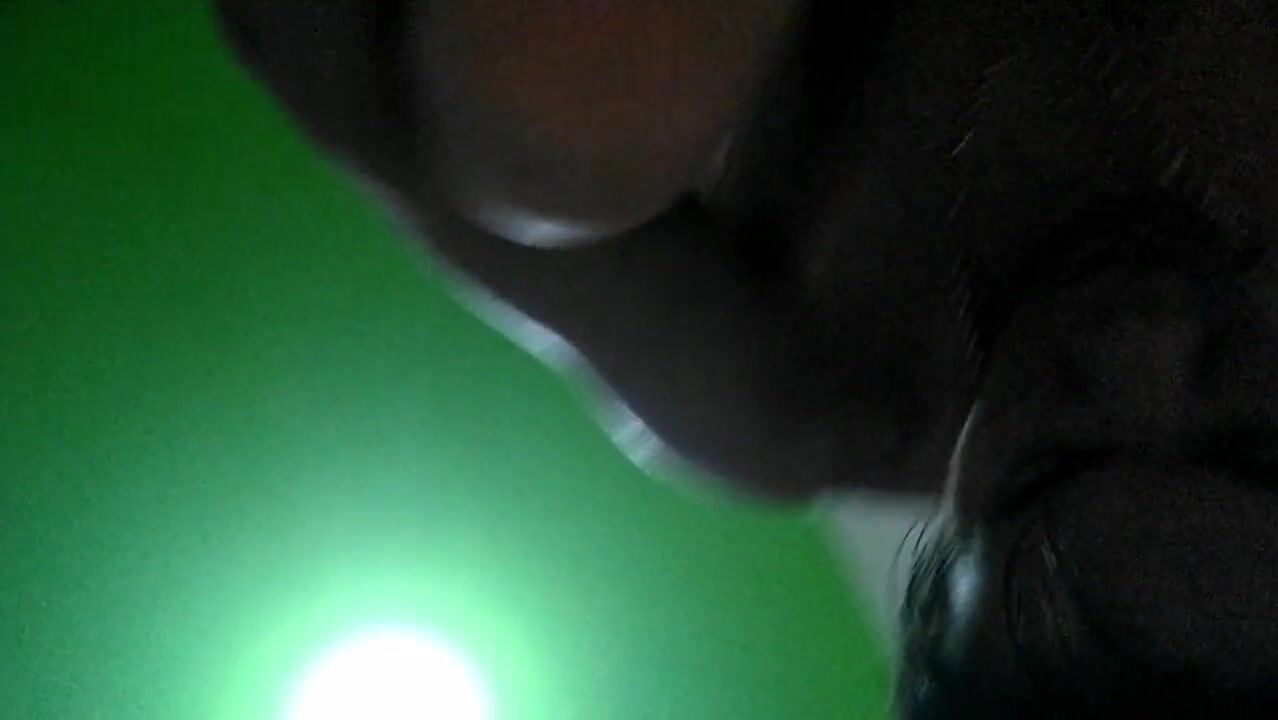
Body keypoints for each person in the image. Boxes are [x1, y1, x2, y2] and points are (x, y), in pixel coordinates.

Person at [214, 1, 1278, 716]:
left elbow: (314, 55)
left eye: (1055, 463)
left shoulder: (819, 383)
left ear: (949, 547)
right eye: (1248, 442)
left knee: (565, 121)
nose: (1136, 346)